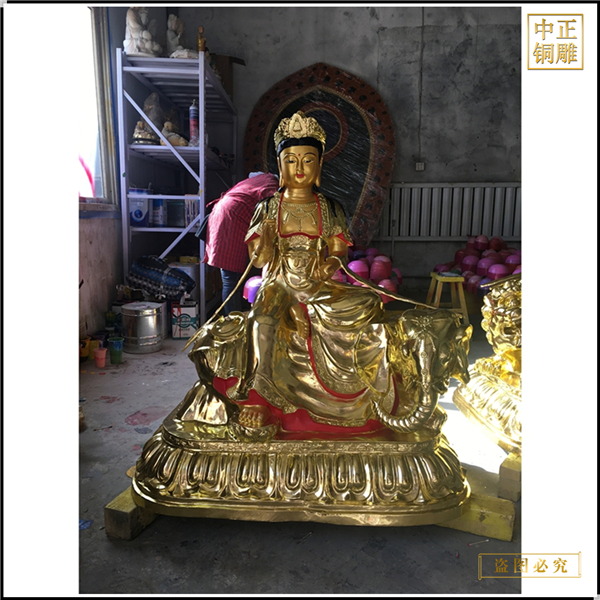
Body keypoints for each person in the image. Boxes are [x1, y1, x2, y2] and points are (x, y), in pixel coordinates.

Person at [202, 172, 278, 314]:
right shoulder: (273, 185)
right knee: (231, 280)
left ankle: (236, 316)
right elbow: (276, 216)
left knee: (231, 279)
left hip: (223, 214)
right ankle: (234, 321)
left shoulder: (261, 180)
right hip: (231, 218)